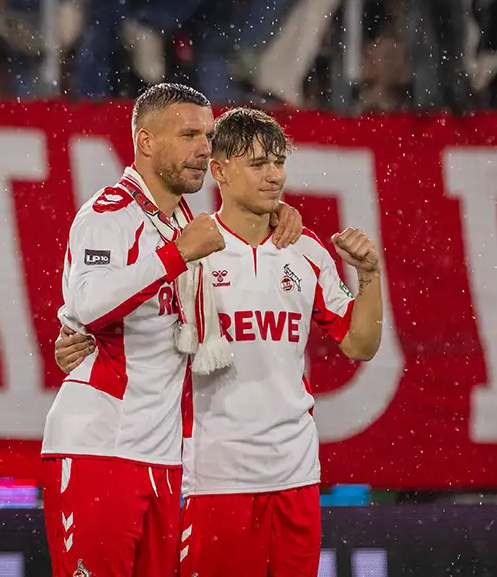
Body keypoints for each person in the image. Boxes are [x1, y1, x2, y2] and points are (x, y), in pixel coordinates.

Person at [55, 107, 385, 576]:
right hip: (209, 475)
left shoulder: (306, 249)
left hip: (296, 473)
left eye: (278, 163)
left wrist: (369, 276)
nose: (274, 176)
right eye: (257, 164)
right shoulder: (193, 246)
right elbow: (120, 305)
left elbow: (360, 345)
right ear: (220, 169)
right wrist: (75, 335)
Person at [42, 84, 303, 577]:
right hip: (102, 445)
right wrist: (175, 255)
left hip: (163, 455)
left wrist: (277, 214)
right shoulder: (108, 215)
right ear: (145, 142)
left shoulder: (185, 220)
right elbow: (89, 304)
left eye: (207, 135)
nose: (205, 147)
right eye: (188, 135)